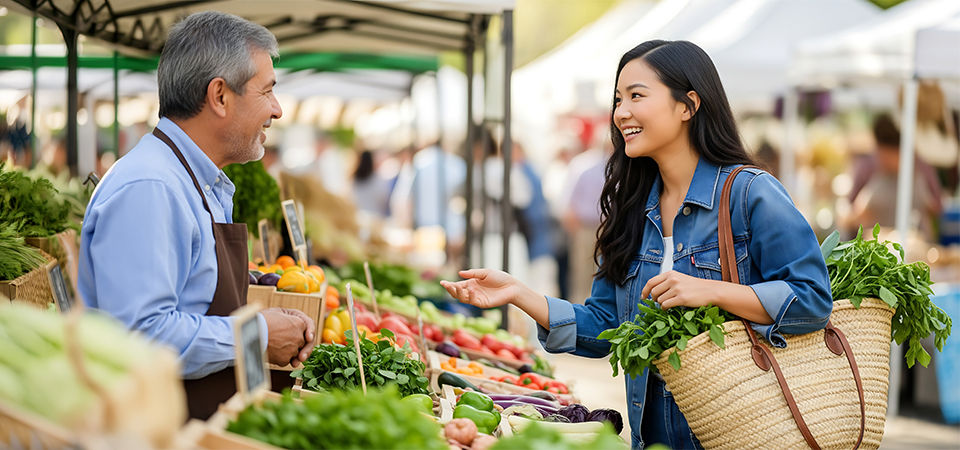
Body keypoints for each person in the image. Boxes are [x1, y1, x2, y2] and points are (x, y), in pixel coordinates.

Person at [441, 40, 832, 449]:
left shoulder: (750, 195)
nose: (620, 111)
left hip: (739, 435)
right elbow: (607, 326)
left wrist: (713, 291)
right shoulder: (631, 210)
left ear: (688, 105)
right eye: (617, 99)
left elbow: (812, 301)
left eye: (636, 96)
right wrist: (519, 294)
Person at [78, 11, 314, 420]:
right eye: (267, 91)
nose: (277, 110)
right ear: (220, 96)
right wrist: (255, 335)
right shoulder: (151, 187)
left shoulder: (196, 179)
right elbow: (138, 337)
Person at [845, 113, 943, 240]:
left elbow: (938, 207)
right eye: (883, 155)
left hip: (917, 245)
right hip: (877, 247)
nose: (886, 161)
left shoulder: (922, 168)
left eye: (892, 155)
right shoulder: (867, 168)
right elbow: (850, 212)